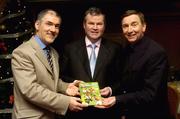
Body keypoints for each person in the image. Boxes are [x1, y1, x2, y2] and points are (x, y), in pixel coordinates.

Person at [11, 9, 87, 119]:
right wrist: (65, 102)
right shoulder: (22, 52)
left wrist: (66, 87)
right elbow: (30, 90)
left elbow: (50, 81)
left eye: (57, 26)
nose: (53, 29)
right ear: (37, 25)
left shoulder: (53, 52)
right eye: (49, 24)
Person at [97, 10, 170, 119]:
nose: (129, 30)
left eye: (134, 25)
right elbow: (126, 81)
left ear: (144, 27)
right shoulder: (126, 48)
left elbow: (150, 94)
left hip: (152, 114)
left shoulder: (156, 53)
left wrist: (117, 99)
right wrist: (111, 90)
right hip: (131, 112)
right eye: (125, 26)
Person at [60, 7, 121, 119]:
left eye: (99, 24)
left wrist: (111, 89)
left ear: (104, 26)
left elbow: (121, 79)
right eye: (91, 23)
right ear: (84, 25)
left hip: (107, 112)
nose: (95, 27)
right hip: (78, 110)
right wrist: (75, 83)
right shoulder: (70, 48)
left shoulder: (116, 49)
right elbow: (61, 76)